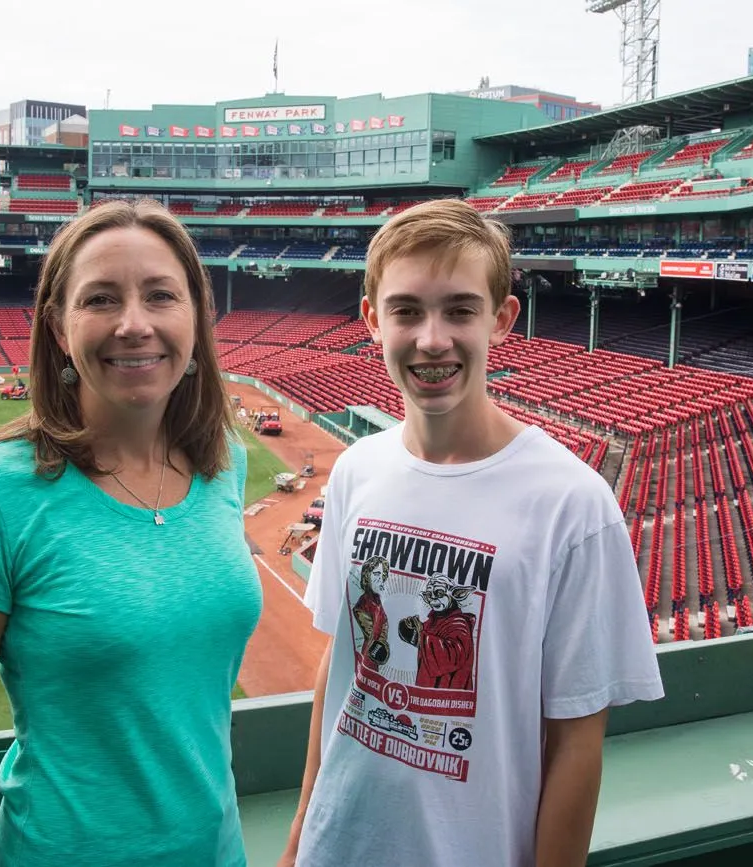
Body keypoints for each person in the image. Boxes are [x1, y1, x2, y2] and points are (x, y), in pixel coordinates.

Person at [279, 199, 664, 867]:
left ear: (502, 319)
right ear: (372, 319)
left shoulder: (573, 504)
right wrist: (296, 843)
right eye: (406, 310)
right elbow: (339, 674)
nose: (432, 339)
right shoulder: (355, 472)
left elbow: (576, 743)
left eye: (459, 309)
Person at [0, 199, 263, 867]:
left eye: (161, 295)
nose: (135, 324)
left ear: (196, 316)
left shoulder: (224, 463)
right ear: (60, 328)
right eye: (101, 299)